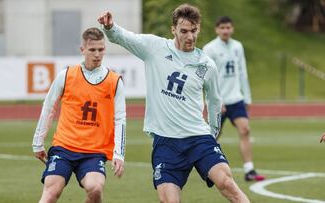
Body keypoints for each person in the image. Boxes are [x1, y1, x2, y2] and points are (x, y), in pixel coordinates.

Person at [98, 4, 250, 203]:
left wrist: (212, 135)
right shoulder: (155, 48)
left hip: (198, 138)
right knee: (168, 200)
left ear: (199, 29)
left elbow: (214, 102)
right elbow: (123, 37)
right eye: (184, 31)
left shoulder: (206, 65)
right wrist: (110, 27)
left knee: (227, 184)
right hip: (166, 143)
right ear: (173, 30)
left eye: (194, 31)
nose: (190, 36)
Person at [32, 27, 126, 203]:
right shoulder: (66, 75)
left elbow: (120, 119)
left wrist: (119, 154)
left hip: (94, 152)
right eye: (92, 50)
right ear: (82, 50)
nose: (97, 54)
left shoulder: (114, 81)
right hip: (64, 147)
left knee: (96, 189)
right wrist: (38, 142)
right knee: (52, 190)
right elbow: (49, 107)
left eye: (101, 49)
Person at [203, 16, 265, 182]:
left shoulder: (238, 46)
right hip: (218, 100)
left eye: (228, 27)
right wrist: (215, 100)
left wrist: (247, 97)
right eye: (222, 27)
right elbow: (207, 78)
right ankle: (205, 167)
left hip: (236, 98)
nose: (225, 30)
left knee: (245, 130)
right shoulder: (209, 49)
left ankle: (249, 170)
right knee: (211, 137)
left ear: (232, 29)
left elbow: (243, 73)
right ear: (217, 29)